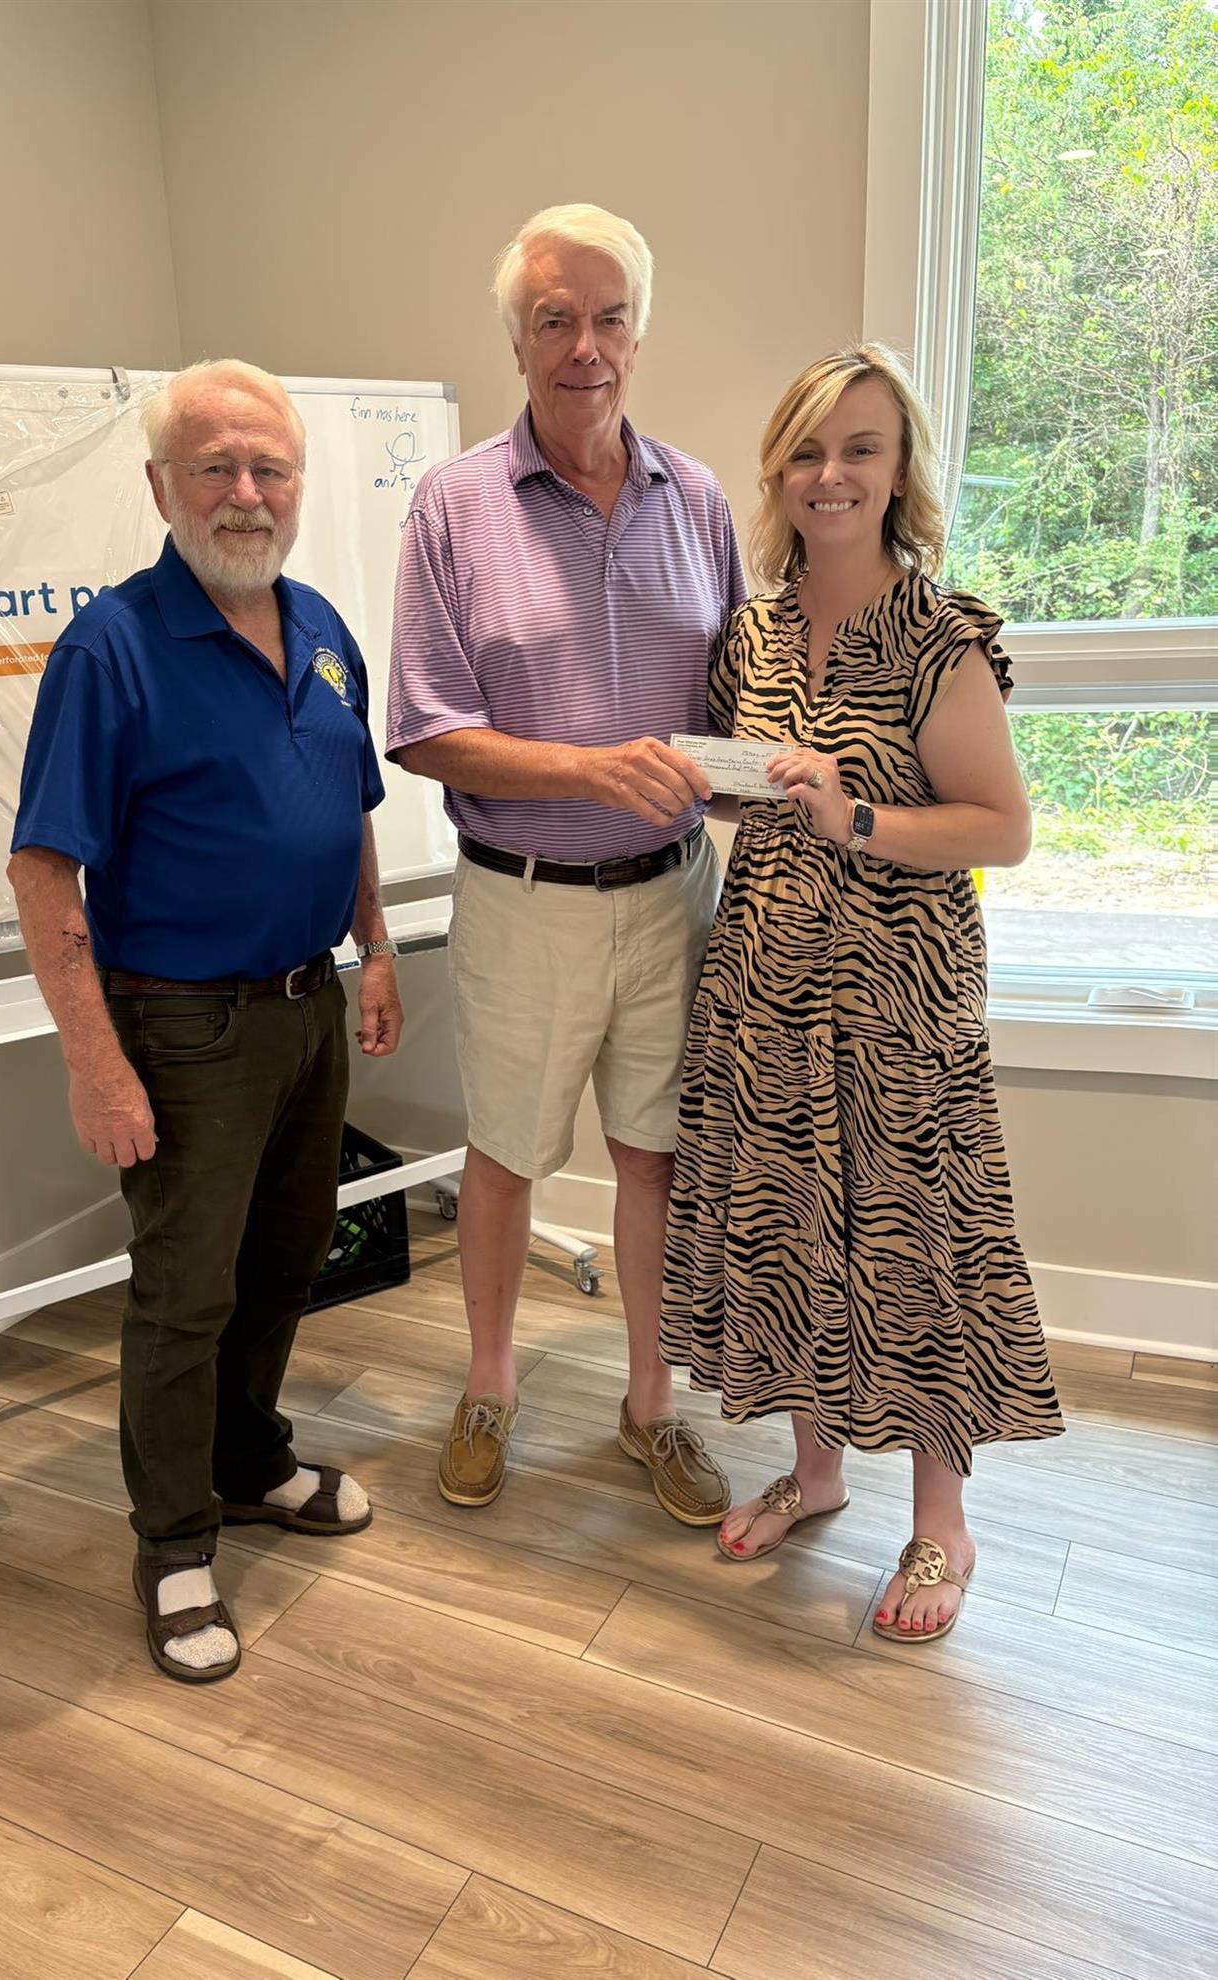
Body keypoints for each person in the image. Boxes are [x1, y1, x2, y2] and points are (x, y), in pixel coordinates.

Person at [661, 343, 1063, 1642]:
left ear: (899, 473)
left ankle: (939, 1523)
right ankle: (819, 1469)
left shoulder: (939, 635)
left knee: (914, 1258)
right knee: (790, 1243)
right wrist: (708, 780)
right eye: (807, 449)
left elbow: (999, 829)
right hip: (762, 991)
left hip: (896, 1008)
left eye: (861, 448)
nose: (829, 473)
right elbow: (745, 788)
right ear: (776, 471)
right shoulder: (756, 631)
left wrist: (859, 814)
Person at [8, 359, 402, 1683]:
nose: (245, 493)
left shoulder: (325, 631)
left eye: (268, 468)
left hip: (307, 1007)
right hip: (182, 1029)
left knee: (288, 1262)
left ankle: (249, 1466)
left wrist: (378, 947)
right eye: (216, 467)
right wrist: (94, 1062)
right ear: (161, 486)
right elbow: (43, 869)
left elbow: (343, 805)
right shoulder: (110, 649)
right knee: (184, 1296)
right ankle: (174, 1544)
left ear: (297, 484)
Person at [389, 204, 746, 1520]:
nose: (580, 345)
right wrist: (587, 768)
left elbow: (739, 699)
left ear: (637, 336)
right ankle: (489, 1387)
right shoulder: (452, 505)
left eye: (604, 318)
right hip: (522, 898)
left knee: (653, 1158)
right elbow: (424, 733)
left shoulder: (697, 499)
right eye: (553, 319)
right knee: (506, 1155)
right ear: (517, 337)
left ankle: (652, 1406)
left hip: (671, 899)